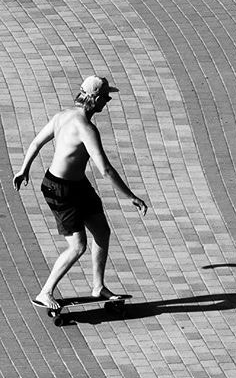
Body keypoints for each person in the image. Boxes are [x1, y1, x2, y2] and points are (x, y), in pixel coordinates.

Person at [13, 75, 148, 310]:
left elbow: (35, 143)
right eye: (105, 96)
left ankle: (98, 287)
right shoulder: (87, 129)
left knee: (102, 231)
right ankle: (45, 293)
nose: (107, 100)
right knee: (77, 246)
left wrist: (24, 170)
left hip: (78, 185)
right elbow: (105, 170)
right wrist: (131, 196)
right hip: (59, 190)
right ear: (94, 99)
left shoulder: (62, 116)